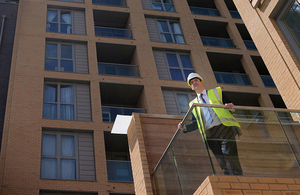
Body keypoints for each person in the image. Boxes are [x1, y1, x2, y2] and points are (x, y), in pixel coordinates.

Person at [178, 72, 243, 175]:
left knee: (229, 154)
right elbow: (196, 122)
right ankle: (230, 181)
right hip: (209, 134)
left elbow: (228, 104)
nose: (194, 83)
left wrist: (230, 105)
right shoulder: (193, 104)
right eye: (191, 82)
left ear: (202, 82)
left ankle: (238, 178)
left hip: (224, 127)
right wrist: (184, 127)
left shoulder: (216, 91)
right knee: (221, 160)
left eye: (196, 80)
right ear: (191, 87)